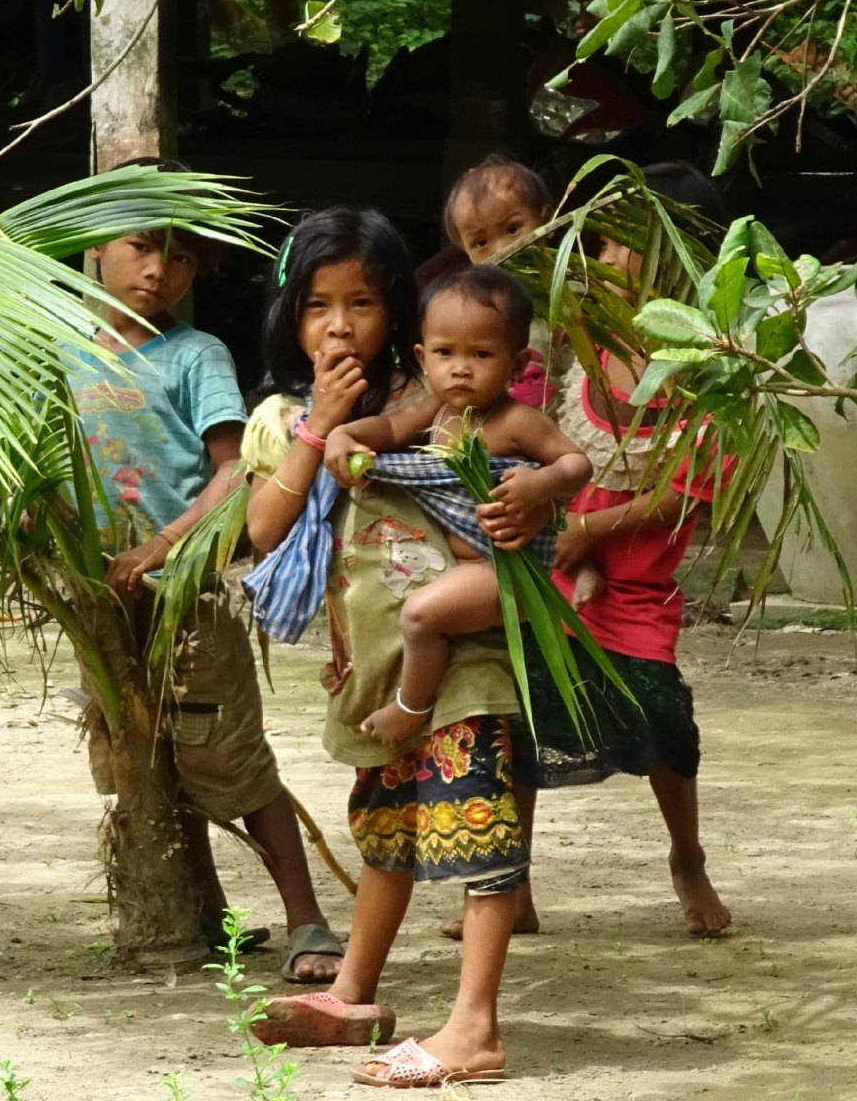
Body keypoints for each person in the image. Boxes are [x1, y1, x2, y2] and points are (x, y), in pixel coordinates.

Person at [242, 207, 541, 1086]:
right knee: (389, 832)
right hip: (373, 673)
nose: (339, 326)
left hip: (467, 664)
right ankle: (354, 993)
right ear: (290, 315)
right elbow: (264, 530)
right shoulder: (287, 417)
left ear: (401, 317)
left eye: (363, 303)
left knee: (478, 829)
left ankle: (475, 1027)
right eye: (318, 305)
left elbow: (522, 491)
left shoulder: (449, 401)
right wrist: (322, 423)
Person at [65, 168, 342, 983]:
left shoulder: (194, 354)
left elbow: (233, 470)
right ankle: (201, 915)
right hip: (98, 595)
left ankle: (306, 920)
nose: (160, 270)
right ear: (97, 247)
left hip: (188, 591)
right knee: (139, 756)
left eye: (181, 258)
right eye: (142, 247)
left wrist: (164, 545)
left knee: (227, 756)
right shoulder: (59, 349)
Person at [440, 207, 733, 945]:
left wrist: (589, 531)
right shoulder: (576, 352)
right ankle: (513, 887)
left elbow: (686, 492)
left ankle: (688, 857)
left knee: (664, 720)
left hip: (638, 587)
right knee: (523, 720)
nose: (612, 261)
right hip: (550, 578)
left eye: (632, 248)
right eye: (603, 246)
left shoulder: (711, 367)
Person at [322, 264, 591, 747]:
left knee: (419, 616)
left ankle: (411, 707)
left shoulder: (517, 421)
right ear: (423, 358)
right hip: (459, 568)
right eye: (445, 353)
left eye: (481, 354)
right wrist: (344, 434)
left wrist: (540, 483)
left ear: (517, 364)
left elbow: (577, 464)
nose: (460, 368)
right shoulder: (437, 411)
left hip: (503, 571)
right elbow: (388, 430)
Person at [442, 154, 561, 410]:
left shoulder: (574, 294)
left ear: (547, 221)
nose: (502, 250)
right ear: (465, 252)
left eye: (512, 229)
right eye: (481, 243)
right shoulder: (469, 311)